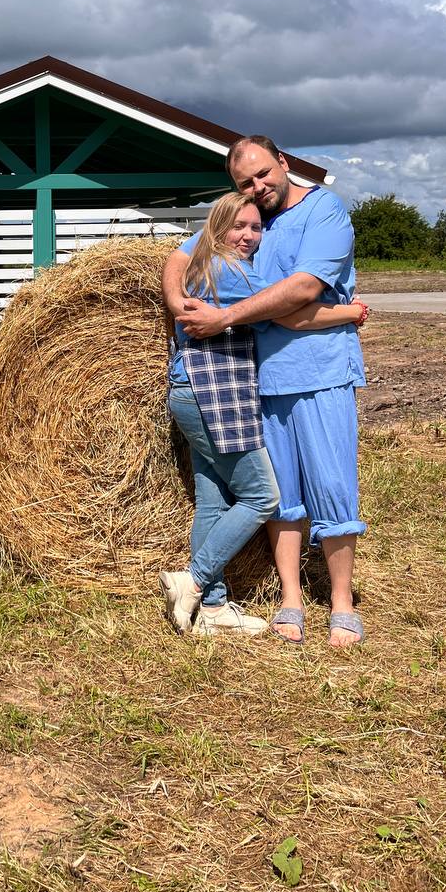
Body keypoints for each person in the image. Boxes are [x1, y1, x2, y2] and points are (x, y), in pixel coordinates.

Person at [164, 136, 367, 648]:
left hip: (320, 372)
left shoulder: (324, 210)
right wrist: (178, 305)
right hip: (261, 381)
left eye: (263, 174)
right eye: (245, 182)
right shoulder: (246, 219)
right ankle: (289, 600)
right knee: (281, 499)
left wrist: (225, 316)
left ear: (283, 162)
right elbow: (179, 257)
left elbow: (302, 291)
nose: (257, 187)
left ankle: (341, 603)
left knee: (332, 486)